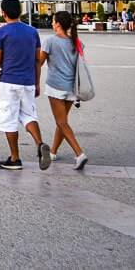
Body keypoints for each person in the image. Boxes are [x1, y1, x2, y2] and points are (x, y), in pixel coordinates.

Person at [0, 0, 51, 171]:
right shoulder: (32, 32)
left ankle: (15, 158)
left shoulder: (1, 33)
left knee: (8, 119)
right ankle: (39, 144)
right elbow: (37, 60)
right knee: (29, 116)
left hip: (8, 81)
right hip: (28, 81)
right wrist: (37, 83)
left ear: (3, 13)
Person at [38, 11, 89, 170]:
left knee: (61, 122)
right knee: (63, 121)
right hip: (71, 87)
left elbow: (39, 62)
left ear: (58, 24)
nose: (52, 24)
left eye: (53, 21)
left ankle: (79, 153)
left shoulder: (50, 41)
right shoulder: (77, 42)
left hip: (55, 86)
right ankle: (53, 151)